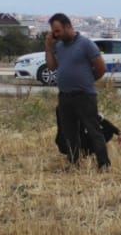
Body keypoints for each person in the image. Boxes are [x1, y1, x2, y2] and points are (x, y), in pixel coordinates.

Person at [45, 12, 110, 170]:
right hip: (65, 96)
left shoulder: (85, 44)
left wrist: (86, 82)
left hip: (84, 96)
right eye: (54, 31)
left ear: (68, 27)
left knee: (93, 129)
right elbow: (52, 66)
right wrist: (48, 47)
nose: (56, 34)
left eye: (58, 31)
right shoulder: (59, 46)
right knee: (70, 132)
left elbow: (101, 68)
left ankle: (104, 164)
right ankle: (74, 163)